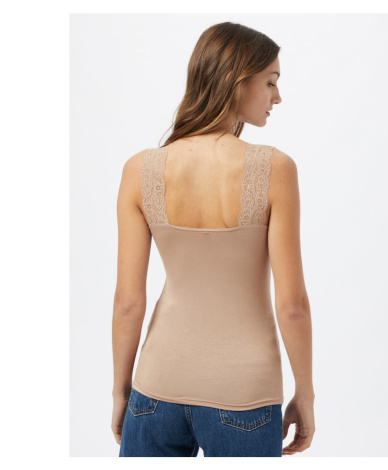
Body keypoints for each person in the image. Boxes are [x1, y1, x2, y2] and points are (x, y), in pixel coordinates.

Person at [111, 21, 315, 457]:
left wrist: (120, 391)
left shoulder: (139, 170)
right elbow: (293, 305)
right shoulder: (276, 169)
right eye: (271, 82)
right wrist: (306, 393)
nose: (277, 96)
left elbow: (128, 302)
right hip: (245, 394)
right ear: (236, 80)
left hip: (155, 390)